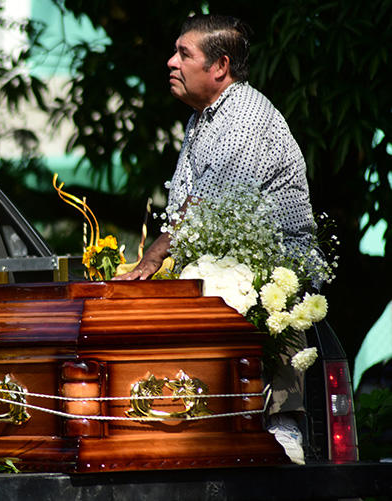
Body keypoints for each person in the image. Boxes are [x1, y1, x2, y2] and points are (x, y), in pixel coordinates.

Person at [115, 14, 316, 464]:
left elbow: (206, 209)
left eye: (184, 54)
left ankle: (280, 426)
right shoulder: (203, 118)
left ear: (220, 67)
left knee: (268, 430)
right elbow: (185, 207)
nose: (171, 62)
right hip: (228, 259)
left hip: (274, 271)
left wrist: (150, 261)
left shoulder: (244, 117)